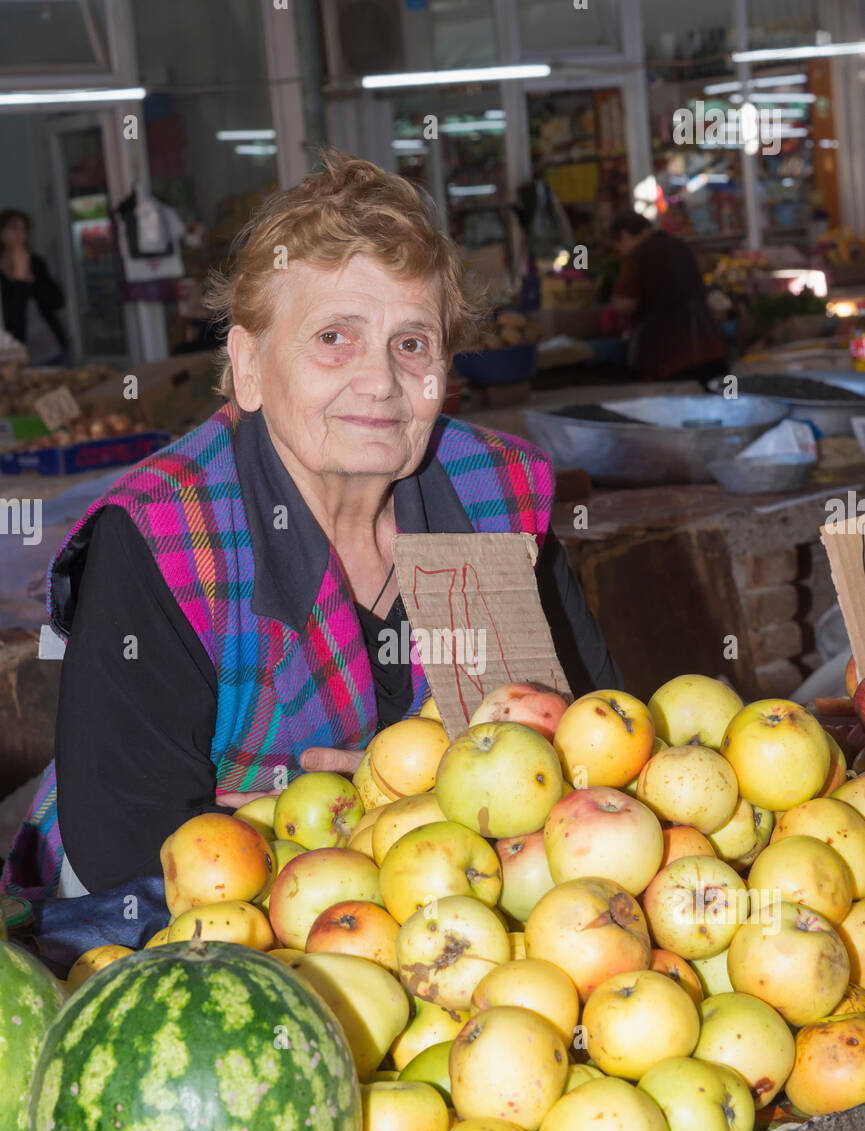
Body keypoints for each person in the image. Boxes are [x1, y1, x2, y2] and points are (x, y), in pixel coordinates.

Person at [2, 149, 620, 903]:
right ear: (250, 366)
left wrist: (378, 795)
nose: (380, 380)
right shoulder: (166, 536)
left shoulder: (492, 496)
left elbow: (596, 749)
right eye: (334, 337)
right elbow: (126, 856)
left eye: (411, 343)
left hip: (442, 922)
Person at [610, 210, 727, 385]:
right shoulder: (681, 246)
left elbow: (624, 304)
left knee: (679, 409)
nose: (619, 252)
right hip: (710, 345)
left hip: (671, 356)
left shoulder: (639, 256)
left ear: (624, 235)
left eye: (617, 245)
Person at [0, 209, 67, 364]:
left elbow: (57, 302)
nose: (20, 234)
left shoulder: (35, 262)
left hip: (52, 347)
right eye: (14, 228)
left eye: (24, 229)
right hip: (17, 355)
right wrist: (20, 280)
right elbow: (12, 321)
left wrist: (33, 280)